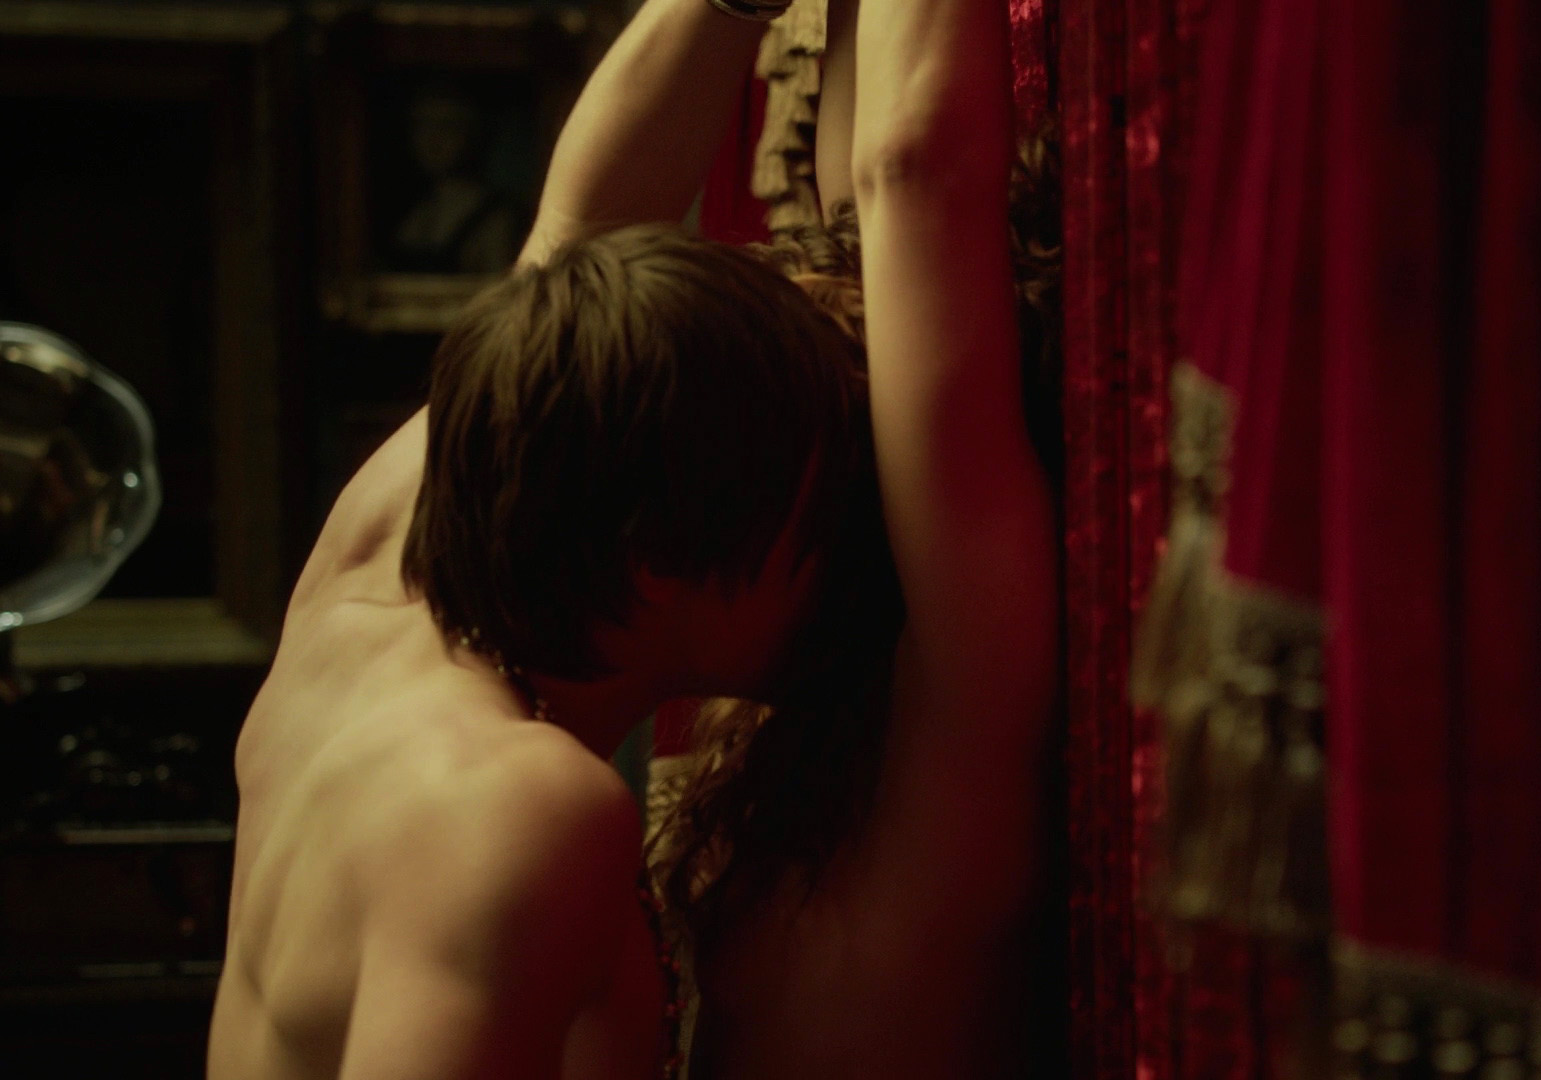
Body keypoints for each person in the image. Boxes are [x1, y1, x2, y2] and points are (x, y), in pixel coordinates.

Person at [206, 0, 1054, 1075]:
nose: (862, 519)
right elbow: (913, 176)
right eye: (814, 501)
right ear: (656, 564)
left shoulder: (369, 590)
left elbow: (576, 238)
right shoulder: (519, 811)